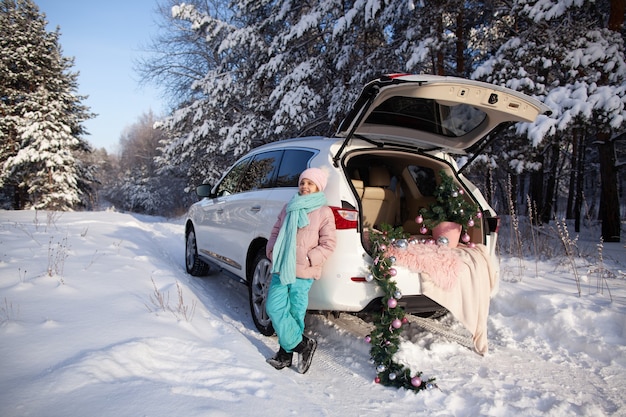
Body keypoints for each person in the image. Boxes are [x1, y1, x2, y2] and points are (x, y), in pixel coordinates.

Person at [265, 167, 337, 374]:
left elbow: (328, 244)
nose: (305, 186)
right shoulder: (290, 206)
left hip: (303, 271)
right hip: (281, 267)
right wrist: (271, 250)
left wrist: (309, 258)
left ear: (318, 187)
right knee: (274, 307)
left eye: (310, 183)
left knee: (295, 313)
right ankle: (303, 346)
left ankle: (284, 354)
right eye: (302, 182)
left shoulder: (324, 212)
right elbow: (276, 230)